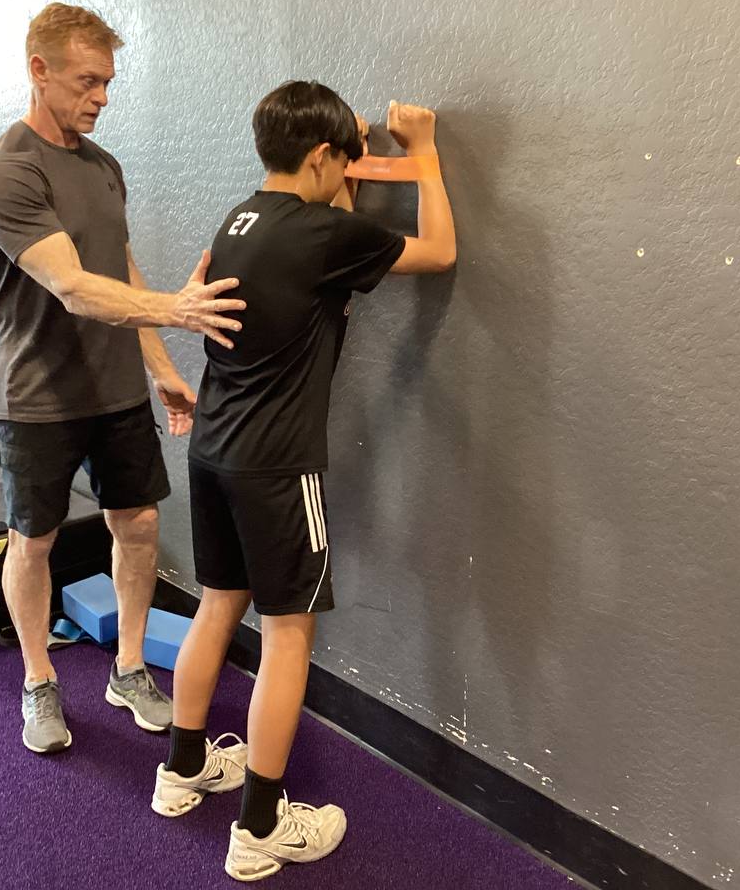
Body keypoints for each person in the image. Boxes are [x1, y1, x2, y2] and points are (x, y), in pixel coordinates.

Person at [150, 81, 456, 881]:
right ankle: (260, 827)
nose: (349, 173)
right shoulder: (325, 234)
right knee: (288, 633)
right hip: (279, 466)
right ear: (321, 157)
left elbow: (335, 219)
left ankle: (182, 773)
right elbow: (439, 251)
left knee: (219, 605)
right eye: (343, 161)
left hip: (213, 451)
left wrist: (347, 154)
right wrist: (421, 150)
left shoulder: (241, 218)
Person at [0, 2, 245, 754]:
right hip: (35, 397)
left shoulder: (102, 165)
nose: (101, 98)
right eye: (88, 82)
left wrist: (159, 366)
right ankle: (38, 682)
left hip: (115, 389)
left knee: (142, 523)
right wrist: (182, 312)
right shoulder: (9, 172)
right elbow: (74, 289)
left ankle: (126, 670)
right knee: (33, 543)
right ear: (39, 70)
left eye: (108, 83)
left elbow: (115, 268)